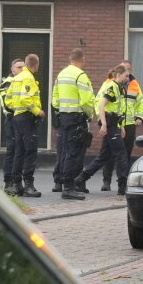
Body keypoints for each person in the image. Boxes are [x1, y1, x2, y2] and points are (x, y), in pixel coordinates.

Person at [50, 47, 96, 199]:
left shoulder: (61, 74)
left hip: (64, 117)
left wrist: (61, 110)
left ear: (70, 59)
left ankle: (65, 184)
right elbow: (87, 100)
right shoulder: (80, 75)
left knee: (66, 151)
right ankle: (69, 188)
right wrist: (90, 114)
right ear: (82, 59)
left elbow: (55, 98)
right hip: (77, 118)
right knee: (74, 153)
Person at [78, 64, 130, 195]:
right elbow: (102, 105)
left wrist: (122, 127)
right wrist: (104, 124)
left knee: (104, 156)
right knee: (121, 153)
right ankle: (122, 185)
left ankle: (81, 178)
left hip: (115, 125)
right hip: (110, 125)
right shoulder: (112, 87)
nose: (127, 78)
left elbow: (119, 110)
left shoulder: (120, 89)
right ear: (118, 75)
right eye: (126, 76)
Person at [5, 53, 44, 197]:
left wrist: (16, 109)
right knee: (30, 151)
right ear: (36, 65)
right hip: (27, 118)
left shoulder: (16, 78)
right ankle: (28, 185)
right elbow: (25, 98)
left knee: (19, 151)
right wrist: (37, 111)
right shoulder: (28, 78)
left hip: (17, 117)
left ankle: (16, 185)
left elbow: (8, 100)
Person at [0, 58, 24, 194]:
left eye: (23, 67)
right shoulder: (7, 83)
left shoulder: (23, 82)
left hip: (20, 120)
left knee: (20, 151)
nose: (22, 70)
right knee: (12, 150)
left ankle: (16, 181)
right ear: (12, 69)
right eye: (19, 67)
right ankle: (8, 181)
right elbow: (8, 104)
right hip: (12, 120)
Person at [119, 60, 143, 154]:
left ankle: (125, 169)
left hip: (130, 124)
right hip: (116, 123)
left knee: (127, 150)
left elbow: (141, 101)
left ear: (131, 70)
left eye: (127, 69)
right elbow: (100, 101)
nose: (125, 71)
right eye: (122, 69)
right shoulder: (111, 82)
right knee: (111, 152)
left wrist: (139, 117)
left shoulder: (134, 84)